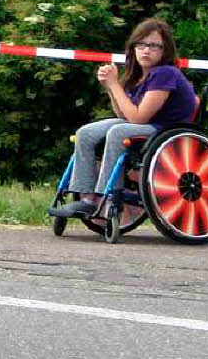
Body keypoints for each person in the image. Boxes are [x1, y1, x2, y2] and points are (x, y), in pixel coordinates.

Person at [49, 18, 196, 218]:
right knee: (86, 133)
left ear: (165, 50)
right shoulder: (139, 75)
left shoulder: (165, 74)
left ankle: (107, 197)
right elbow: (123, 114)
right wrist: (111, 87)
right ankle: (85, 198)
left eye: (153, 46)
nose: (146, 50)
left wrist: (114, 85)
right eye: (141, 44)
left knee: (118, 132)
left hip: (166, 128)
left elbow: (138, 118)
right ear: (133, 47)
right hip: (144, 124)